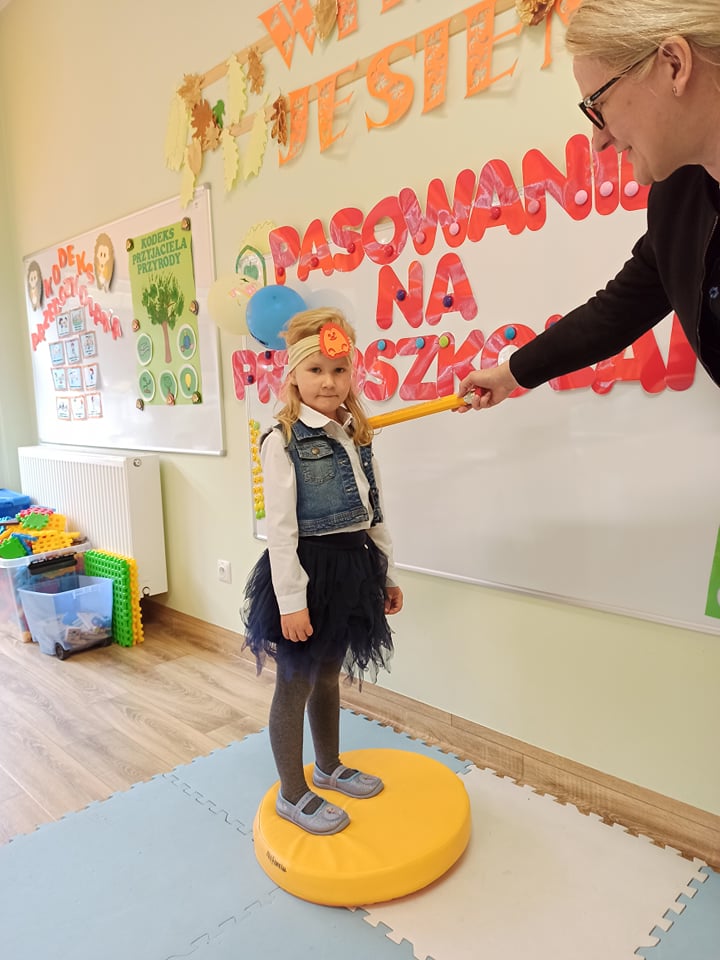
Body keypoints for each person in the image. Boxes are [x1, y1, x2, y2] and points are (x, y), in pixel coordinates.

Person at [457, 0, 720, 409]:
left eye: (597, 106)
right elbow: (615, 313)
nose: (598, 141)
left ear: (674, 64)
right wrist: (511, 373)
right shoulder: (677, 199)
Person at [241, 307, 403, 836]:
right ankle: (292, 792)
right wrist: (292, 602)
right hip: (308, 573)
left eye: (339, 370)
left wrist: (385, 574)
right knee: (295, 682)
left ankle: (329, 766)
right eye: (316, 370)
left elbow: (373, 511)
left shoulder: (358, 434)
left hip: (354, 567)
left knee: (329, 673)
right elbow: (280, 531)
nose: (329, 381)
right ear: (293, 375)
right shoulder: (283, 439)